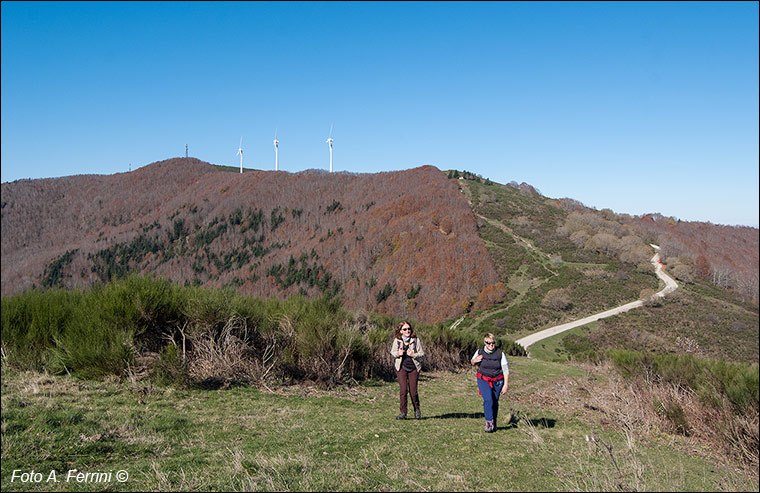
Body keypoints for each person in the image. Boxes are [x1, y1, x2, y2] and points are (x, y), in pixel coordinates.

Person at [471, 333, 509, 432]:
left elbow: (505, 370)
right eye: (488, 343)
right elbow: (472, 361)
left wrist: (505, 385)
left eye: (493, 343)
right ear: (484, 343)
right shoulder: (480, 351)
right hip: (483, 379)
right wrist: (475, 360)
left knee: (495, 402)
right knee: (488, 400)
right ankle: (488, 423)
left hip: (498, 381)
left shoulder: (500, 353)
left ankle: (494, 423)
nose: (491, 345)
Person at [390, 321, 424, 420]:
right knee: (403, 391)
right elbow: (393, 352)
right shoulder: (397, 340)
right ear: (400, 331)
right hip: (401, 368)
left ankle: (417, 410)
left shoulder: (416, 340)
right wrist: (398, 353)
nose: (407, 331)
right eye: (404, 329)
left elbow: (422, 353)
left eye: (409, 329)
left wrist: (414, 355)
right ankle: (403, 413)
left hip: (414, 368)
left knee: (413, 391)